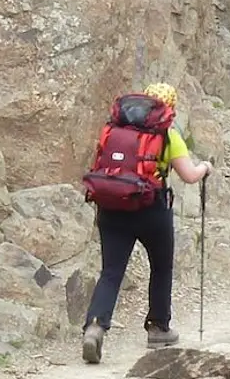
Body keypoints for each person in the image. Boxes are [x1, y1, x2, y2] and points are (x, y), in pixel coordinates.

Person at [80, 82, 213, 364]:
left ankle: (95, 325)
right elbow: (189, 175)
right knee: (161, 266)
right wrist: (205, 168)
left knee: (111, 271)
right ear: (169, 107)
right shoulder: (167, 132)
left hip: (111, 204)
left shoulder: (113, 129)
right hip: (150, 207)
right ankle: (158, 327)